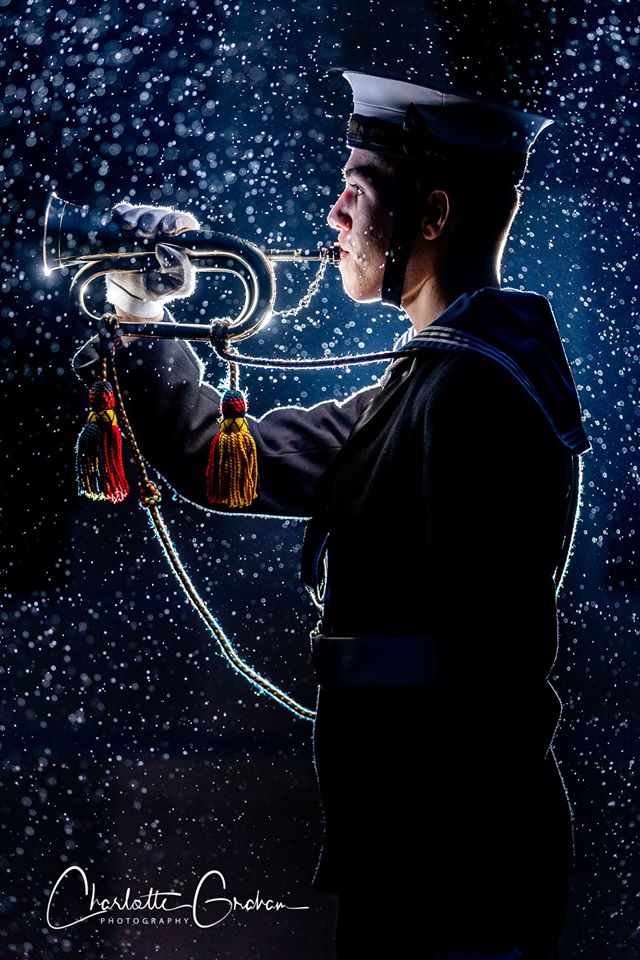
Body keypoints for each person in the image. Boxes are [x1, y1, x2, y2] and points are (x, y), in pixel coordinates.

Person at [73, 70, 591, 960]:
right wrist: (141, 305)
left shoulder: (476, 392)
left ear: (432, 216)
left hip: (452, 869)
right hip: (416, 852)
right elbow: (218, 464)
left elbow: (482, 682)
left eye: (358, 188)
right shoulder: (438, 378)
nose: (334, 215)